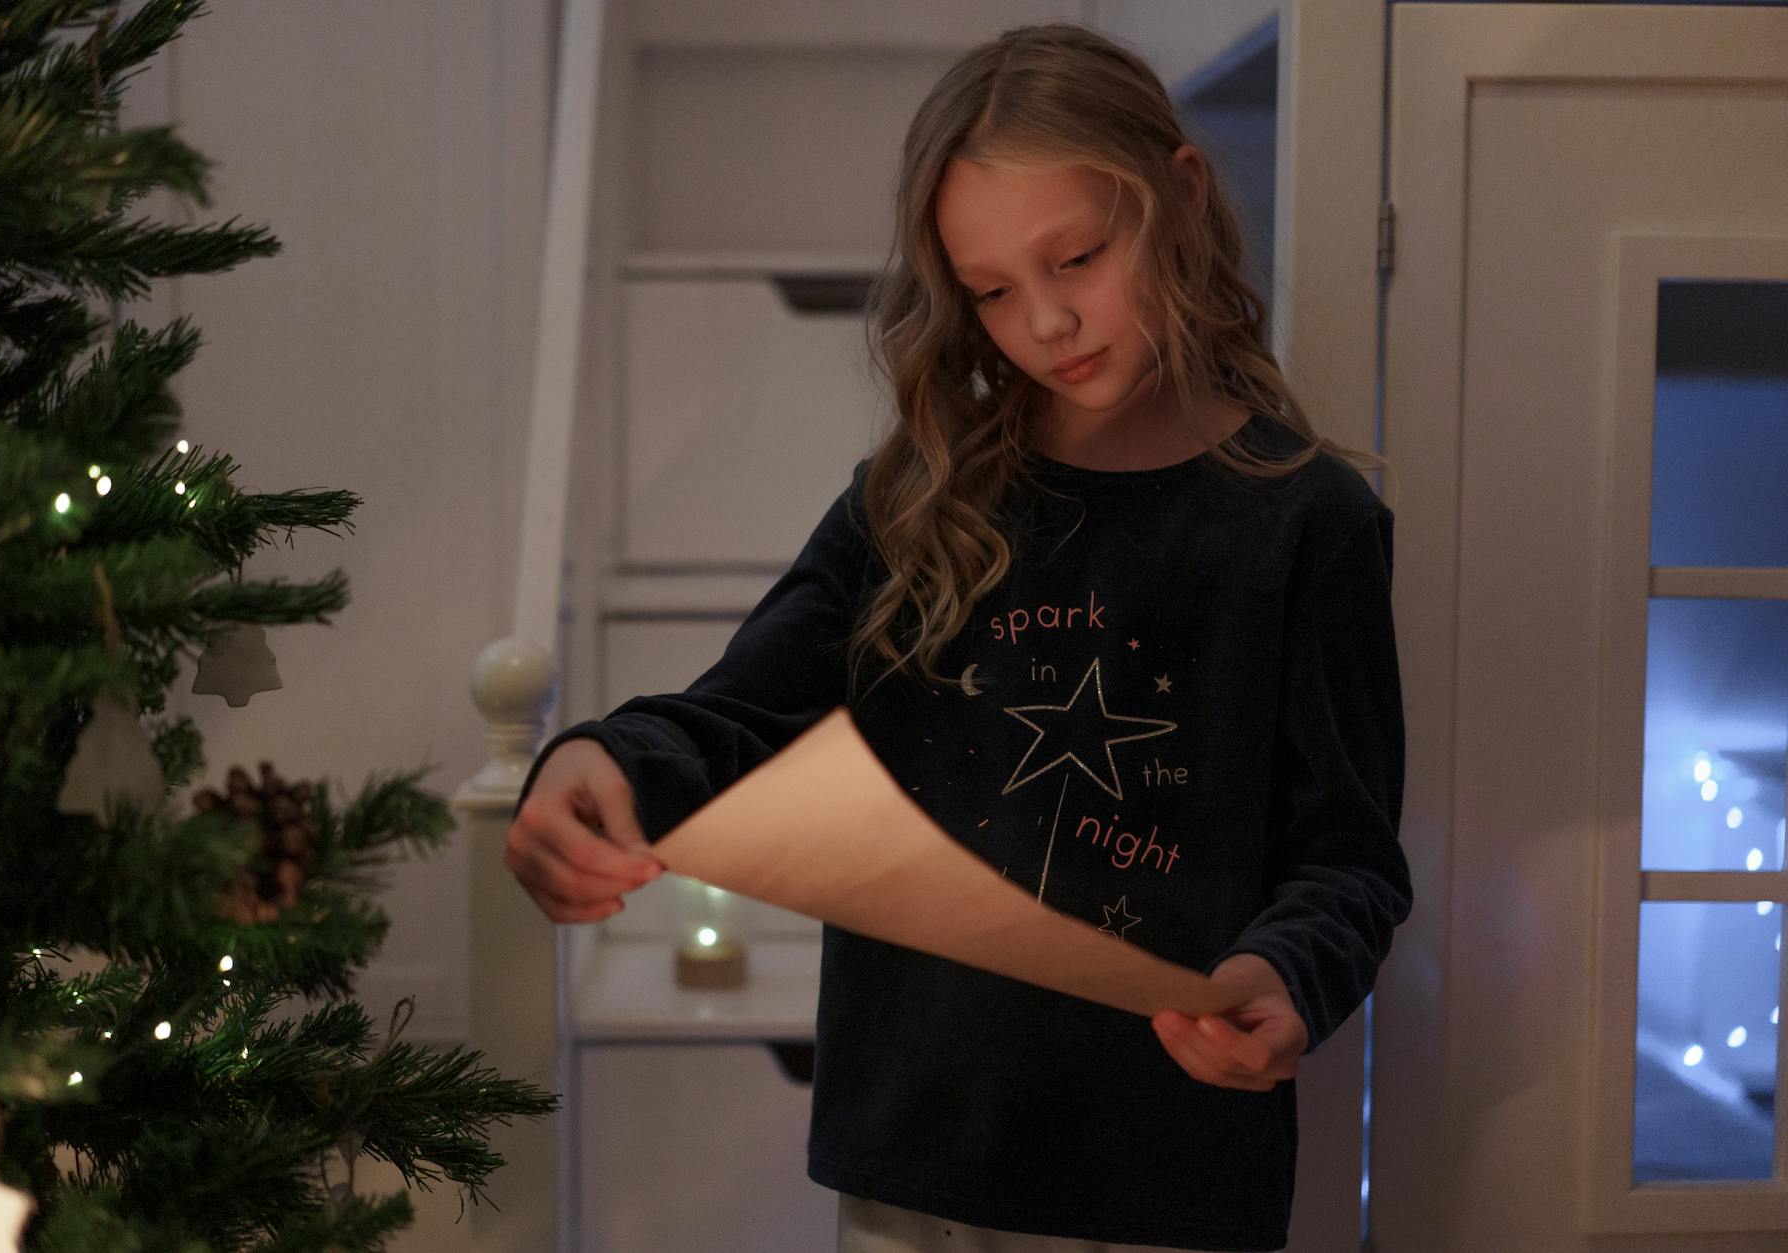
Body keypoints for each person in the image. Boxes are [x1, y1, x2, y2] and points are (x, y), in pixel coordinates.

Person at [506, 21, 1412, 1253]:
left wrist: (1285, 978)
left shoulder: (1308, 523)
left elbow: (1347, 857)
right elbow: (735, 714)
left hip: (1168, 1172)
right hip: (917, 1162)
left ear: (1181, 197)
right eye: (989, 290)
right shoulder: (916, 496)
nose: (1042, 319)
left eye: (1077, 257)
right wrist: (600, 760)